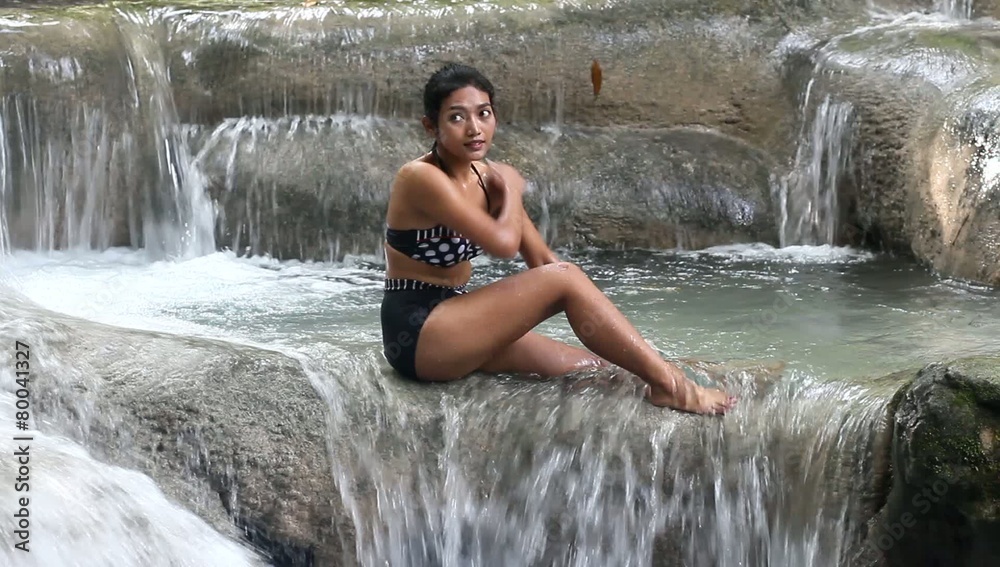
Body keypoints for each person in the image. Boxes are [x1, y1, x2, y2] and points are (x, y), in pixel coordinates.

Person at [380, 63, 736, 415]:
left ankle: (670, 373)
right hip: (418, 331)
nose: (475, 128)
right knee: (567, 281)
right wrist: (514, 192)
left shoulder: (488, 178)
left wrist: (622, 334)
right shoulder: (420, 177)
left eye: (483, 113)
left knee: (602, 369)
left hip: (460, 319)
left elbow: (543, 263)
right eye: (457, 117)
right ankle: (674, 389)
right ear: (432, 125)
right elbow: (503, 245)